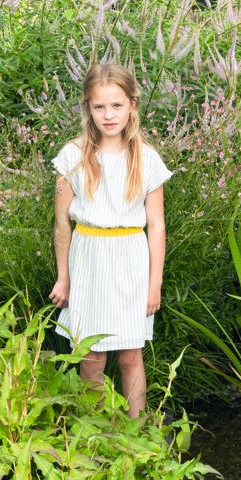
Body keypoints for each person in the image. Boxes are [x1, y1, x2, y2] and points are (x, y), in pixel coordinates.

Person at [50, 62, 170, 419]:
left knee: (130, 354)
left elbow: (157, 226)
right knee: (91, 356)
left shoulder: (146, 160)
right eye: (99, 106)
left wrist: (155, 283)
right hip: (88, 260)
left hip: (130, 262)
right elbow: (60, 225)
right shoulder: (73, 156)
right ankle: (97, 435)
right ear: (87, 108)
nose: (108, 114)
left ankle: (137, 432)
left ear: (132, 104)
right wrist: (63, 277)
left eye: (116, 105)